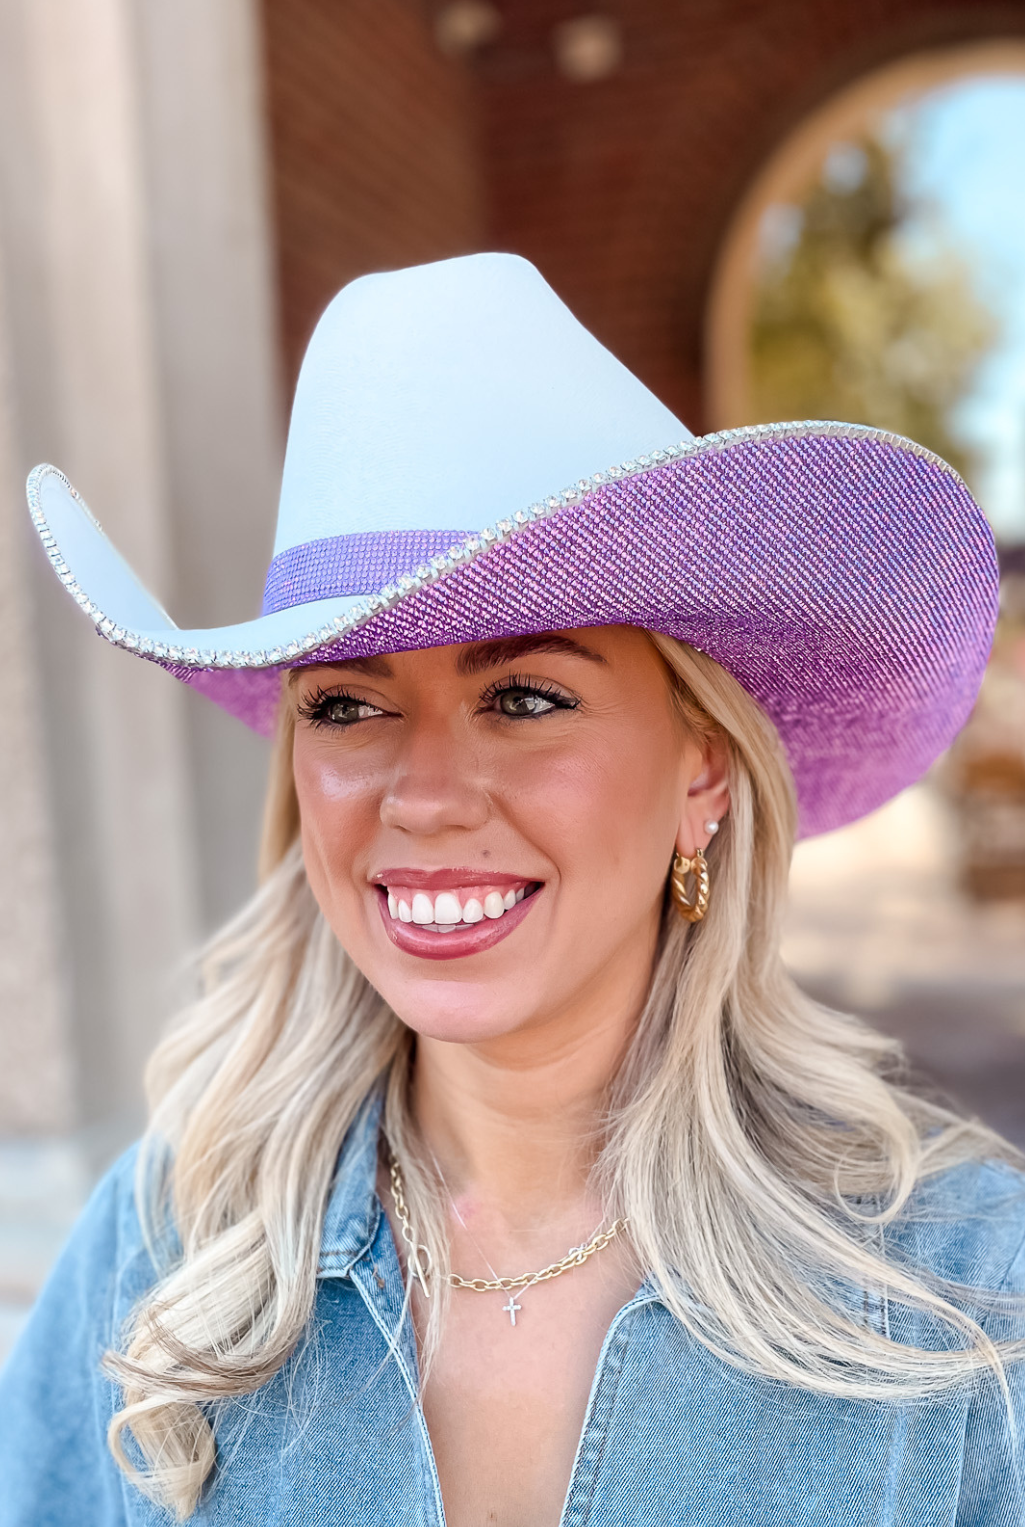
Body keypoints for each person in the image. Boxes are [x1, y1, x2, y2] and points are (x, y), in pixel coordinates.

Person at [2, 252, 1023, 1527]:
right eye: (347, 704)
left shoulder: (968, 1297)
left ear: (699, 770)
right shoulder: (158, 1256)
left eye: (525, 696)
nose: (424, 797)